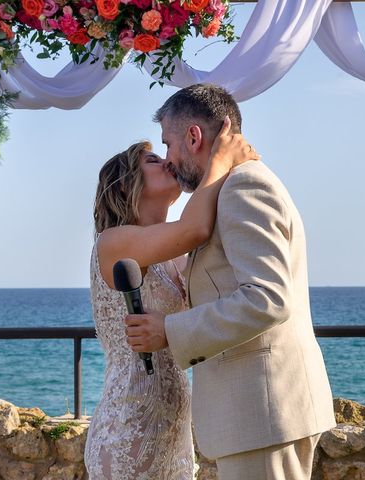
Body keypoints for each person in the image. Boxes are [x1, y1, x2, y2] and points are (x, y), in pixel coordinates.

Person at [124, 83, 336, 480]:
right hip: (259, 414)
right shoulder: (230, 188)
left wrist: (169, 330)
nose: (168, 158)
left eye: (168, 143)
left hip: (263, 411)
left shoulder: (243, 187)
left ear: (193, 136)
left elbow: (267, 298)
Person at [84, 123, 258, 479]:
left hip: (173, 428)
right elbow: (194, 228)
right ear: (126, 182)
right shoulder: (112, 242)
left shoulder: (172, 259)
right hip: (129, 425)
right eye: (152, 159)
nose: (167, 162)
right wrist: (220, 159)